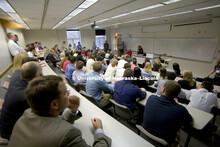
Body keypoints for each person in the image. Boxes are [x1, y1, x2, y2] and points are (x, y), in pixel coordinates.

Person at [8, 75, 111, 146]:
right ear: (54, 104)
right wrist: (99, 130)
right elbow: (60, 133)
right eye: (65, 93)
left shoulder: (27, 113)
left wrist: (73, 111)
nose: (68, 95)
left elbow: (53, 125)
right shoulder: (69, 134)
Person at [0, 61, 42, 140]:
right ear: (37, 75)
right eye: (41, 73)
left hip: (7, 122)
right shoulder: (26, 96)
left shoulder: (17, 74)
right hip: (12, 132)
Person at [142, 80, 193, 145]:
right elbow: (190, 122)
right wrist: (176, 105)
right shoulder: (180, 110)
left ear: (163, 90)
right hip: (162, 143)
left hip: (144, 136)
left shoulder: (151, 98)